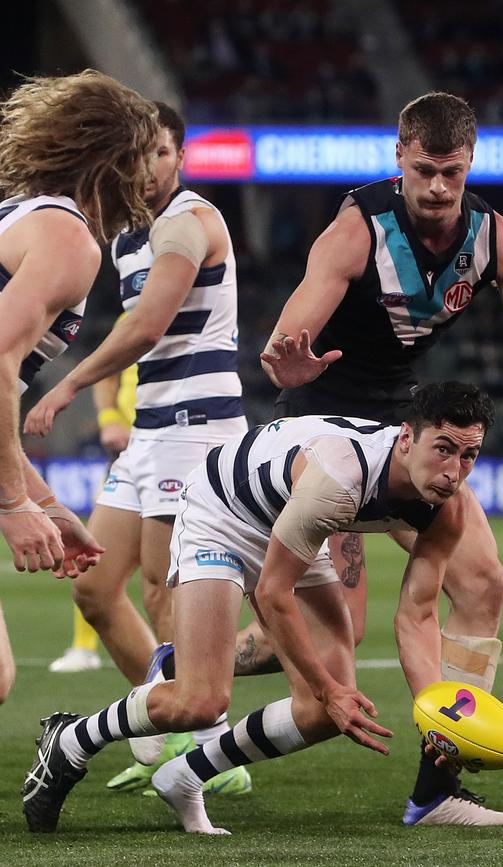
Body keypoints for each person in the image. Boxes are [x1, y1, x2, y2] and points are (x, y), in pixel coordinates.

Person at [252, 91, 503, 825]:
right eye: (424, 169)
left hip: (403, 427)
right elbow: (291, 336)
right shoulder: (356, 230)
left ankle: (438, 781)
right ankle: (185, 664)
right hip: (323, 431)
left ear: (470, 162)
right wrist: (284, 363)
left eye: (451, 171)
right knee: (337, 634)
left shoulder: (496, 240)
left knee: (482, 579)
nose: (438, 187)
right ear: (399, 157)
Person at [22, 381, 503, 835]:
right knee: (202, 702)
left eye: (469, 455)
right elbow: (271, 595)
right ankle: (71, 739)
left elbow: (418, 615)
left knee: (325, 714)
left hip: (291, 522)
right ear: (406, 439)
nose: (454, 471)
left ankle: (186, 775)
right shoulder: (341, 479)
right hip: (223, 511)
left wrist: (435, 717)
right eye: (443, 449)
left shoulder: (449, 509)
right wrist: (328, 690)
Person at [24, 103, 251, 795]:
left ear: (178, 156)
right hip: (151, 429)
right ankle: (168, 724)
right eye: (136, 153)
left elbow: (148, 325)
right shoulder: (124, 237)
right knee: (94, 585)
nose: (146, 165)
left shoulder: (190, 221)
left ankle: (211, 756)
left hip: (197, 429)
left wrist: (65, 388)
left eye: (158, 152)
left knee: (161, 589)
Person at [0, 69, 159, 701]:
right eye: (144, 158)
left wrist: (42, 502)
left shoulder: (22, 216)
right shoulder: (68, 239)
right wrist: (14, 506)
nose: (151, 179)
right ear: (112, 161)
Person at [49, 345, 138, 674]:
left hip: (176, 451)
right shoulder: (130, 317)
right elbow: (107, 371)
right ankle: (84, 647)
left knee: (169, 572)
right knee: (92, 551)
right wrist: (110, 418)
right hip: (126, 456)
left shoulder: (204, 312)